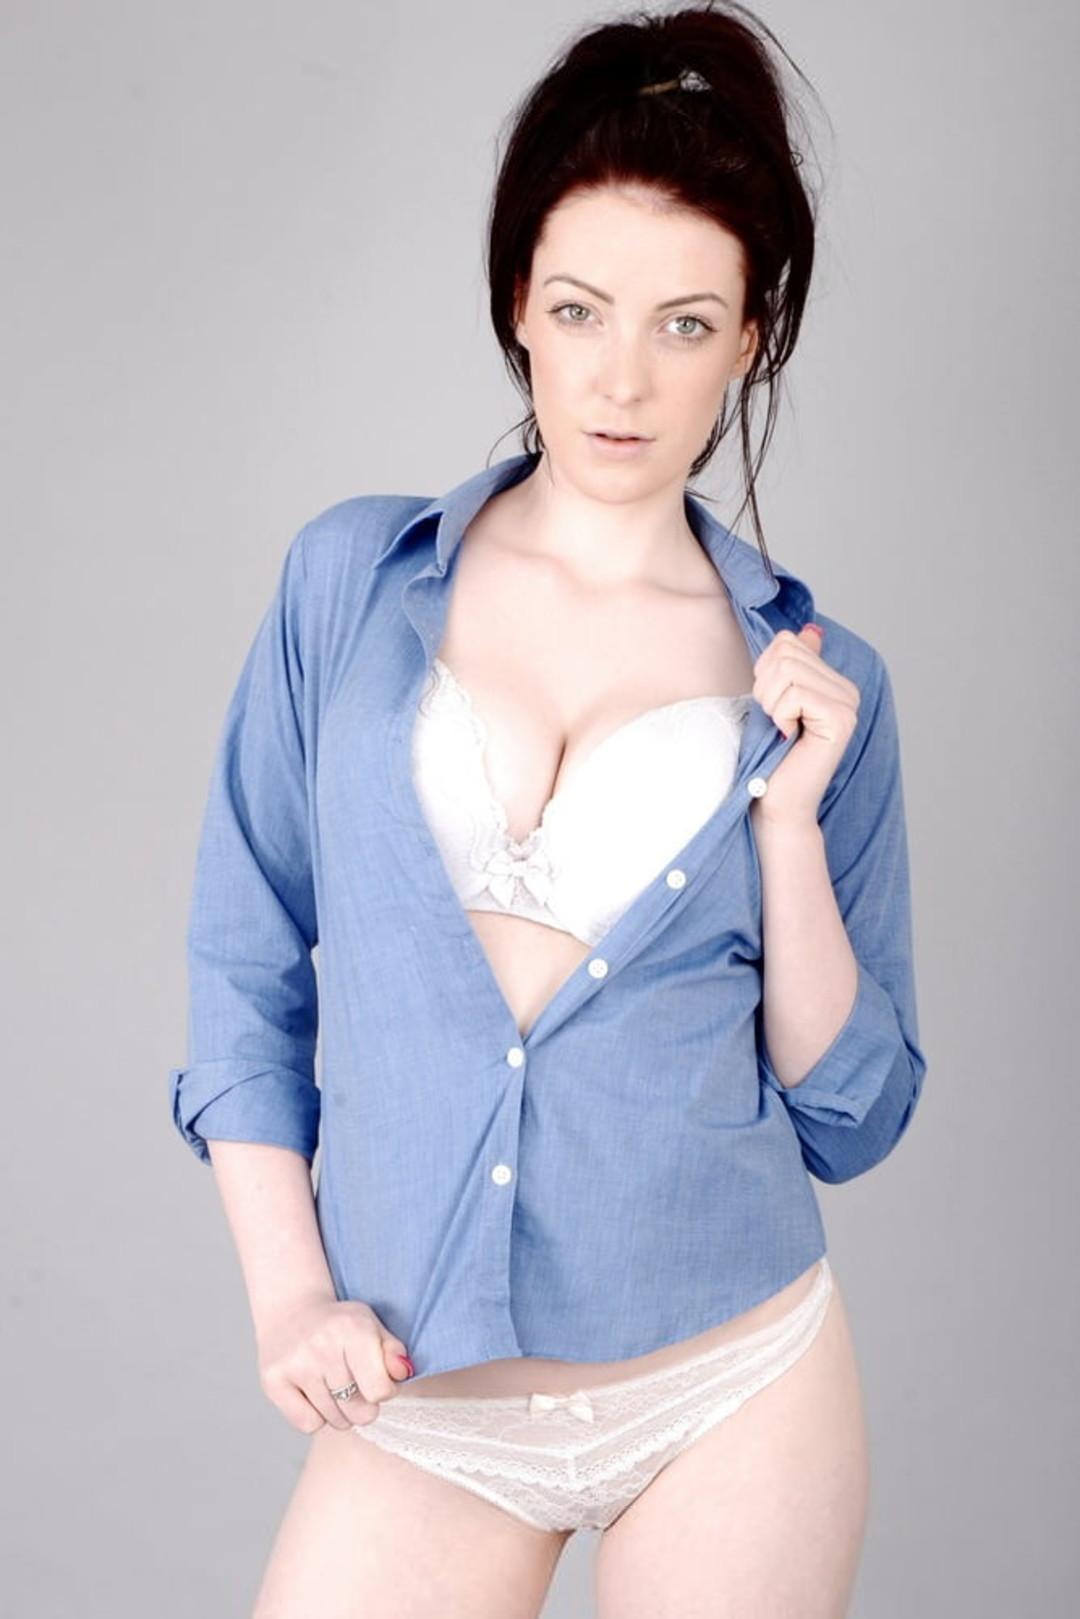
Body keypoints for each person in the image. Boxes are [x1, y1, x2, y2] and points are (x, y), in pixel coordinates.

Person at [168, 5, 927, 1615]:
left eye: (684, 323)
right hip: (422, 1394)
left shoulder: (820, 682)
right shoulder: (349, 586)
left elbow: (855, 1115)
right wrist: (289, 1294)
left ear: (751, 338)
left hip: (731, 1381)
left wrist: (788, 829)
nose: (621, 379)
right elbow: (245, 956)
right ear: (519, 298)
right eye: (580, 309)